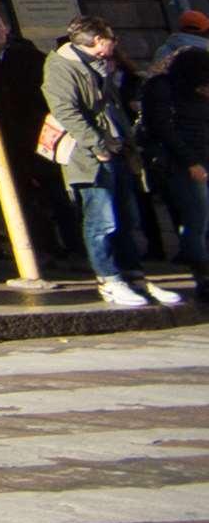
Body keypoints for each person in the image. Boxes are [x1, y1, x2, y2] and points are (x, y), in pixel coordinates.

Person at [46, 16, 182, 309]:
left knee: (126, 218)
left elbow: (112, 105)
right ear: (97, 40)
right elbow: (66, 110)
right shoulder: (62, 65)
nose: (115, 44)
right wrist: (98, 146)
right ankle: (109, 279)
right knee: (102, 221)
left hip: (116, 146)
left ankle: (134, 277)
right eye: (111, 38)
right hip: (90, 155)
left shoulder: (100, 64)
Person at [0, 7, 63, 267]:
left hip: (38, 132)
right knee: (24, 196)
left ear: (6, 28)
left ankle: (72, 245)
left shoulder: (29, 56)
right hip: (4, 138)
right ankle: (41, 246)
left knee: (56, 193)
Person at [154, 48, 209, 304]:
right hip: (185, 164)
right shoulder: (164, 89)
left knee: (201, 220)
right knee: (196, 220)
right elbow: (165, 129)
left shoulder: (196, 92)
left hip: (200, 157)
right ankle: (203, 277)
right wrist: (190, 162)